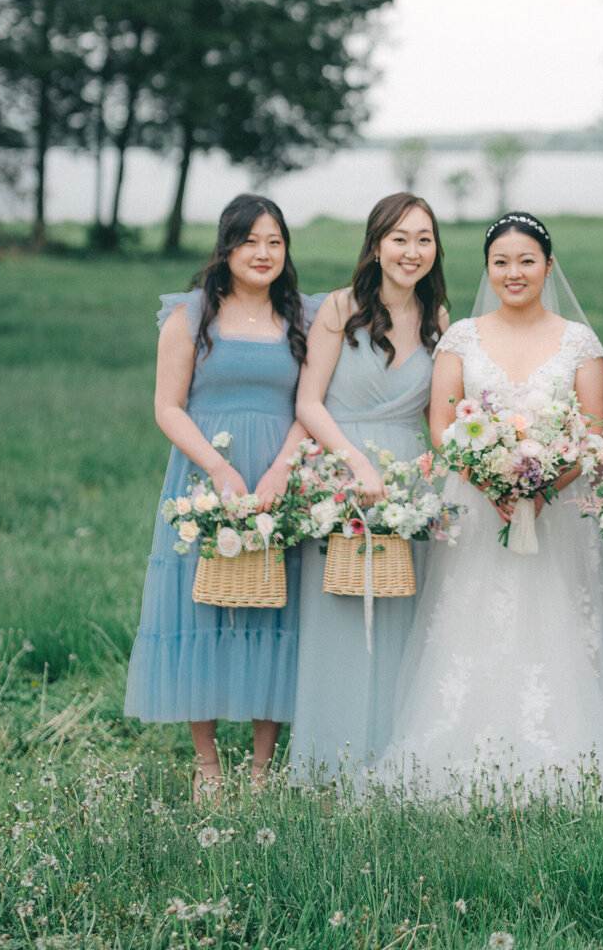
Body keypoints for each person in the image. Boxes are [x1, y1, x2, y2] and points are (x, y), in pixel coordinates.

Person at [382, 211, 603, 796]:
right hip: (475, 505)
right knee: (471, 623)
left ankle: (565, 759)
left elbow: (596, 430)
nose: (513, 272)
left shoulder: (578, 341)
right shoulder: (462, 337)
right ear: (487, 269)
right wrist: (489, 478)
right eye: (501, 262)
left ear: (548, 264)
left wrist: (543, 485)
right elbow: (442, 424)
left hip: (560, 509)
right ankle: (462, 750)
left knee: (556, 620)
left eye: (526, 260)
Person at [125, 194, 324, 800]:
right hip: (205, 475)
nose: (262, 254)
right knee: (200, 604)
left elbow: (312, 405)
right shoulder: (189, 316)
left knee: (276, 605)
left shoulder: (306, 318)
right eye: (249, 242)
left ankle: (263, 765)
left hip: (279, 479)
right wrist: (216, 469)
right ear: (227, 247)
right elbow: (167, 406)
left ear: (285, 250)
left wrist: (282, 471)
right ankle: (207, 763)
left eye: (274, 242)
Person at [288, 193, 449, 784]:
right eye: (400, 238)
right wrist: (356, 463)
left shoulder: (439, 322)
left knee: (404, 617)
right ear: (376, 245)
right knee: (339, 616)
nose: (412, 251)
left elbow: (441, 416)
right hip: (343, 474)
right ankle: (330, 763)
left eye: (424, 239)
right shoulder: (338, 308)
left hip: (408, 482)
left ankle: (395, 761)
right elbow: (308, 401)